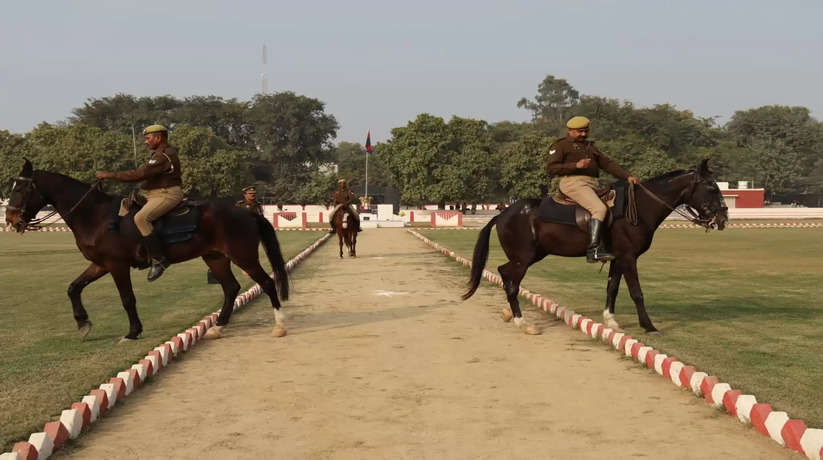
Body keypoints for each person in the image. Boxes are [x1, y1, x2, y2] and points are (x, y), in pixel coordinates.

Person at [547, 116, 639, 263]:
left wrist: (627, 176)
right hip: (573, 183)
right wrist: (575, 166)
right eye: (580, 131)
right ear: (570, 130)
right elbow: (551, 168)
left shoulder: (590, 147)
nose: (584, 134)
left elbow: (607, 164)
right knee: (599, 209)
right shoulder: (561, 145)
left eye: (586, 131)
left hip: (593, 184)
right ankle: (593, 250)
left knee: (613, 208)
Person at [96, 124, 182, 281]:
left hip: (167, 194)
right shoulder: (158, 154)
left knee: (141, 218)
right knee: (124, 205)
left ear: (158, 137)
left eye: (148, 138)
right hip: (153, 194)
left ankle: (159, 259)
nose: (146, 142)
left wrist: (110, 175)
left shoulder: (163, 155)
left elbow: (139, 174)